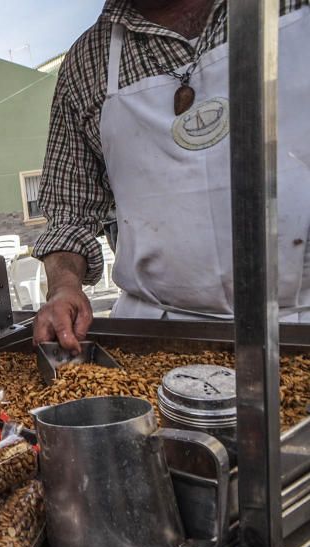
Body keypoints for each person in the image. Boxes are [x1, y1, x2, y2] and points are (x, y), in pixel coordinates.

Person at [33, 0, 310, 354]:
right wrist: (63, 286)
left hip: (299, 321)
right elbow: (68, 214)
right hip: (158, 333)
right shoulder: (89, 61)